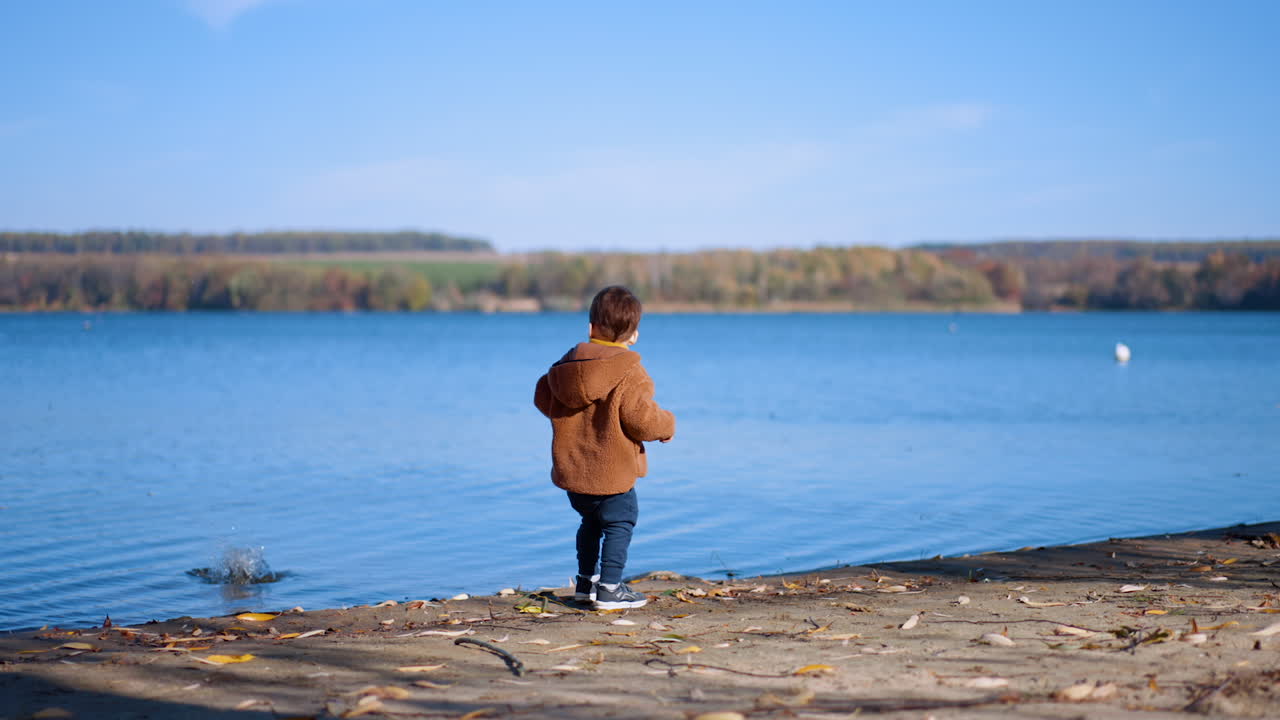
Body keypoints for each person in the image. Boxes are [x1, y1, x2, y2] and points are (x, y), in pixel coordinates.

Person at [534, 286, 676, 609]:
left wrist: (570, 419)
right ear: (634, 335)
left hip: (575, 474)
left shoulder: (566, 365)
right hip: (612, 474)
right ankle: (610, 588)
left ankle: (585, 583)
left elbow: (543, 396)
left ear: (590, 328)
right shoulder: (629, 370)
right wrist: (667, 425)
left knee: (590, 523)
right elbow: (640, 419)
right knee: (621, 520)